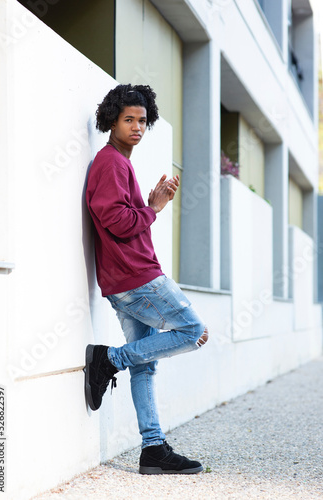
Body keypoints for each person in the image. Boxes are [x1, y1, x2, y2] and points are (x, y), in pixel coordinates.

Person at [85, 83, 209, 475]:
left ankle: (152, 449)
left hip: (128, 278)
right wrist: (154, 207)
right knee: (193, 331)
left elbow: (126, 218)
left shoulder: (120, 162)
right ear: (112, 121)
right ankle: (109, 360)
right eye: (128, 120)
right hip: (136, 278)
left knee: (146, 364)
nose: (137, 127)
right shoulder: (110, 163)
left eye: (142, 120)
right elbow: (118, 223)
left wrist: (150, 202)